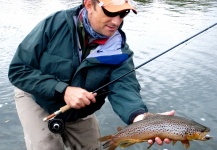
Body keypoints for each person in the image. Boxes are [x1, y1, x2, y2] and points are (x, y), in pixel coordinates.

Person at [8, 0, 175, 149]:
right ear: (89, 4)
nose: (117, 21)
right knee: (46, 145)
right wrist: (64, 90)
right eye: (110, 12)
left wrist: (139, 118)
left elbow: (124, 88)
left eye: (123, 13)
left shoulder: (120, 52)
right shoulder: (54, 24)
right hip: (36, 97)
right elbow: (19, 70)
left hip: (78, 111)